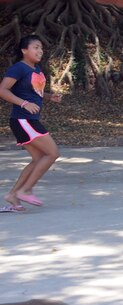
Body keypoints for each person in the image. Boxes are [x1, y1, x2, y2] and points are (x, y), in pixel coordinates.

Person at [1, 35, 62, 213]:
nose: (40, 51)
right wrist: (24, 103)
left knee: (38, 158)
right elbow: (2, 90)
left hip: (29, 120)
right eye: (35, 47)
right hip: (22, 119)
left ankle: (13, 195)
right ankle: (25, 190)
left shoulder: (35, 69)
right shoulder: (19, 68)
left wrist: (50, 96)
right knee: (52, 153)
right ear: (24, 50)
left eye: (41, 48)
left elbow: (34, 92)